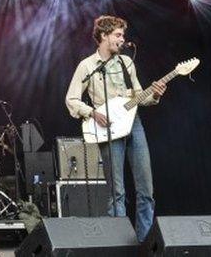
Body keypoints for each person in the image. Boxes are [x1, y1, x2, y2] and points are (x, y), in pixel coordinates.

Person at [65, 15, 167, 242]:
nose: (122, 39)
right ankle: (120, 243)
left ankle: (145, 242)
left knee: (146, 189)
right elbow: (71, 100)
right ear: (103, 35)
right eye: (118, 35)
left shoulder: (126, 62)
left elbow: (140, 95)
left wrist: (155, 94)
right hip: (108, 128)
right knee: (116, 191)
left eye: (123, 35)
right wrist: (92, 112)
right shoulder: (88, 66)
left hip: (134, 124)